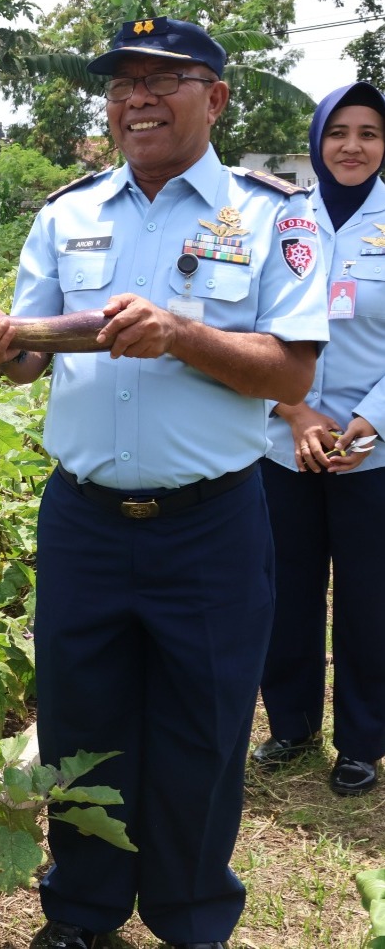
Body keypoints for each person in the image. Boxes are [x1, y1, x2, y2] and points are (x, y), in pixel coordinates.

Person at [0, 18, 328, 949]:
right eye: (122, 84)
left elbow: (289, 375)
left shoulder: (274, 214)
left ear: (218, 98)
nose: (137, 99)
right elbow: (28, 357)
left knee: (202, 731)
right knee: (83, 724)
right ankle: (81, 912)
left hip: (210, 526)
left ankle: (192, 915)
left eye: (165, 79)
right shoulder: (67, 214)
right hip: (83, 520)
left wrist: (182, 335)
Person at [252, 81, 385, 797]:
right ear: (317, 141)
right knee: (285, 591)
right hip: (284, 443)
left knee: (370, 597)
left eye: (369, 133)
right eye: (339, 132)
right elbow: (247, 327)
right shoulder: (280, 223)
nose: (352, 147)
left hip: (375, 451)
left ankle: (363, 740)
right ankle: (292, 724)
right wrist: (295, 410)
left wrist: (371, 420)